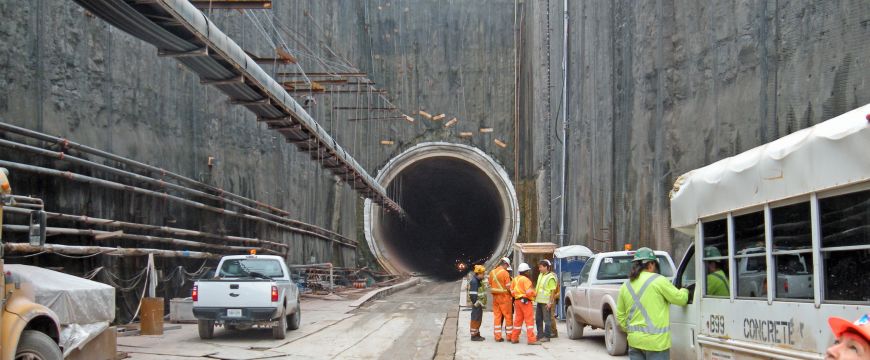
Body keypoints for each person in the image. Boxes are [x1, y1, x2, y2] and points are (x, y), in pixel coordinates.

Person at [616, 247, 689, 360]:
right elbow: (681, 299)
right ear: (650, 264)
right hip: (656, 343)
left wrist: (632, 331)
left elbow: (620, 316)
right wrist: (685, 290)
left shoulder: (625, 286)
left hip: (635, 342)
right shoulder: (659, 280)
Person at [510, 262, 541, 345]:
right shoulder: (526, 280)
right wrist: (535, 294)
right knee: (529, 321)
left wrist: (518, 295)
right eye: (528, 271)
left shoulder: (515, 279)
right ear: (525, 271)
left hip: (517, 301)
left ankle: (514, 338)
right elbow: (529, 292)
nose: (529, 272)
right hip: (525, 302)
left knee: (518, 320)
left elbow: (512, 292)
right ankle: (531, 340)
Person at [488, 257, 513, 342]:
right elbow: (508, 287)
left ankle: (497, 336)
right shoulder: (505, 273)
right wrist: (513, 294)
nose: (507, 267)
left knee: (497, 316)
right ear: (505, 264)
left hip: (495, 298)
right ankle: (509, 336)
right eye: (507, 265)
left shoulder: (492, 272)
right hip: (504, 298)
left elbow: (490, 283)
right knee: (508, 316)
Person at [534, 259, 558, 342]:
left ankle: (547, 336)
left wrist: (550, 302)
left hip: (546, 302)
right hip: (539, 301)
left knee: (547, 320)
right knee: (538, 319)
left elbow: (552, 291)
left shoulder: (551, 277)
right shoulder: (541, 275)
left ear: (546, 267)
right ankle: (540, 335)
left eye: (540, 267)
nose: (539, 269)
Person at [468, 265, 487, 341]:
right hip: (477, 304)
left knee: (478, 319)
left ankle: (477, 334)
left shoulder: (478, 281)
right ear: (478, 273)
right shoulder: (474, 282)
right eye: (482, 274)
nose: (483, 275)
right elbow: (472, 294)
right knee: (475, 319)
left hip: (479, 304)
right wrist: (476, 303)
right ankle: (474, 336)